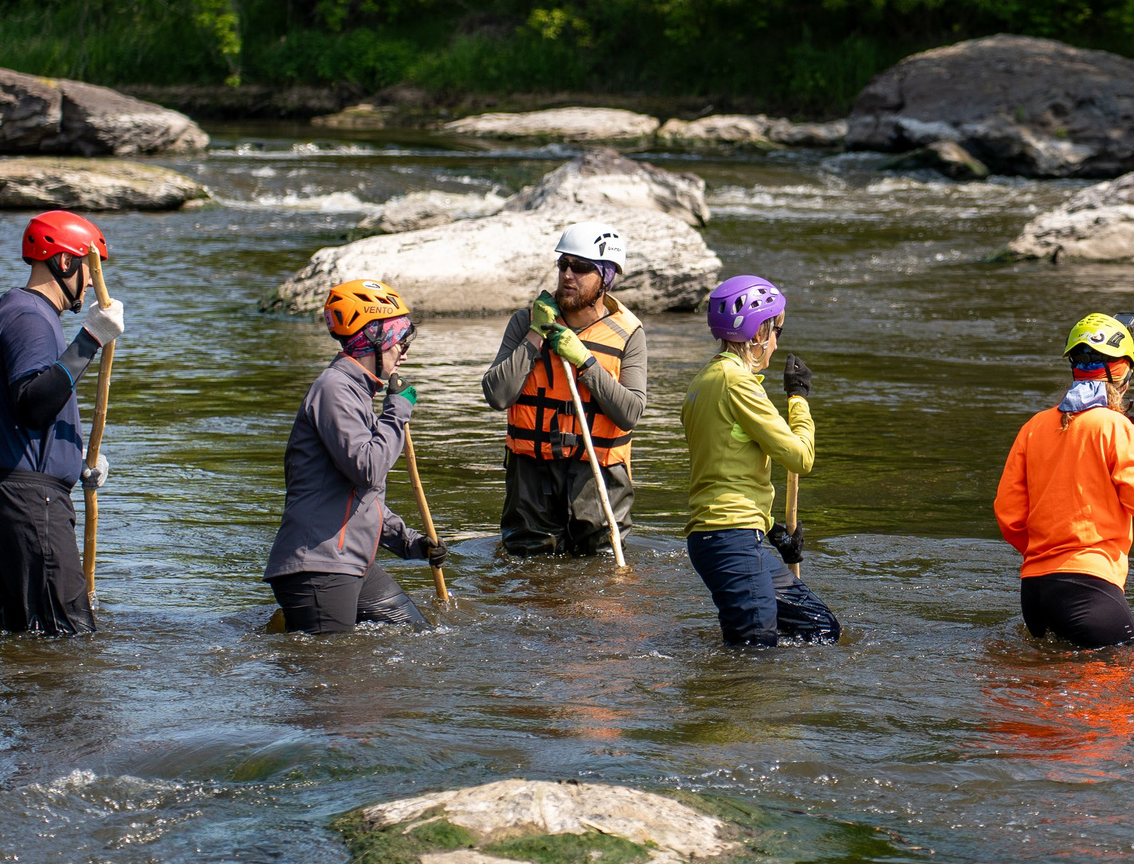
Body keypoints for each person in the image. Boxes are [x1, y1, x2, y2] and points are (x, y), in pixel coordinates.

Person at [0, 210, 126, 634]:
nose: (93, 282)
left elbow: (29, 417)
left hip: (18, 496)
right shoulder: (30, 318)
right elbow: (32, 404)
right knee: (72, 641)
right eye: (90, 270)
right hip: (29, 503)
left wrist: (74, 460)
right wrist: (91, 338)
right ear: (64, 262)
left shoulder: (29, 315)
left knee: (29, 642)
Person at [263, 279, 449, 634]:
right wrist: (396, 412)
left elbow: (361, 499)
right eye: (400, 343)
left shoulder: (357, 394)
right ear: (374, 343)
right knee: (339, 678)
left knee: (420, 636)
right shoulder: (334, 389)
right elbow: (367, 469)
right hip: (318, 565)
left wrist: (411, 543)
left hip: (350, 563)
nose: (404, 354)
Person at [681, 274, 838, 647]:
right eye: (777, 332)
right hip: (729, 537)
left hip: (730, 535)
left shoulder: (705, 379)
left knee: (819, 627)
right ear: (757, 335)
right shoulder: (738, 383)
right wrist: (798, 399)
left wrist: (772, 532)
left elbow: (723, 466)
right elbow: (800, 457)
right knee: (753, 654)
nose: (775, 344)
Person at [993, 313, 1134, 648]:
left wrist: (1047, 552)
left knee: (1045, 691)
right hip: (1089, 587)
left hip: (1035, 591)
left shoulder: (1034, 426)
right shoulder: (1115, 427)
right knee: (1128, 693)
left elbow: (1009, 514)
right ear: (1124, 375)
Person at [480, 220, 647, 555]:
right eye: (563, 265)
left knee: (598, 579)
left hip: (597, 473)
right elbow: (497, 395)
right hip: (532, 473)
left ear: (605, 277)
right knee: (527, 569)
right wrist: (536, 334)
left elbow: (630, 413)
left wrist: (585, 362)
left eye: (581, 267)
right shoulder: (525, 322)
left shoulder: (629, 332)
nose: (568, 275)